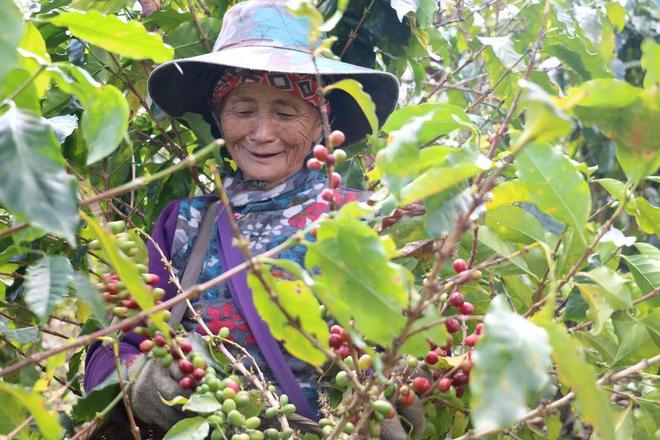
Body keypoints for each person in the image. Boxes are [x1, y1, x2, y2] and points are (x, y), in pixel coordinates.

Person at [83, 0, 404, 437]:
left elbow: (404, 341)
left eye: (285, 112)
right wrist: (142, 379)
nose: (261, 133)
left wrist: (397, 393)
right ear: (219, 119)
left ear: (320, 125)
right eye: (243, 109)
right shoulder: (185, 224)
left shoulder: (361, 218)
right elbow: (118, 343)